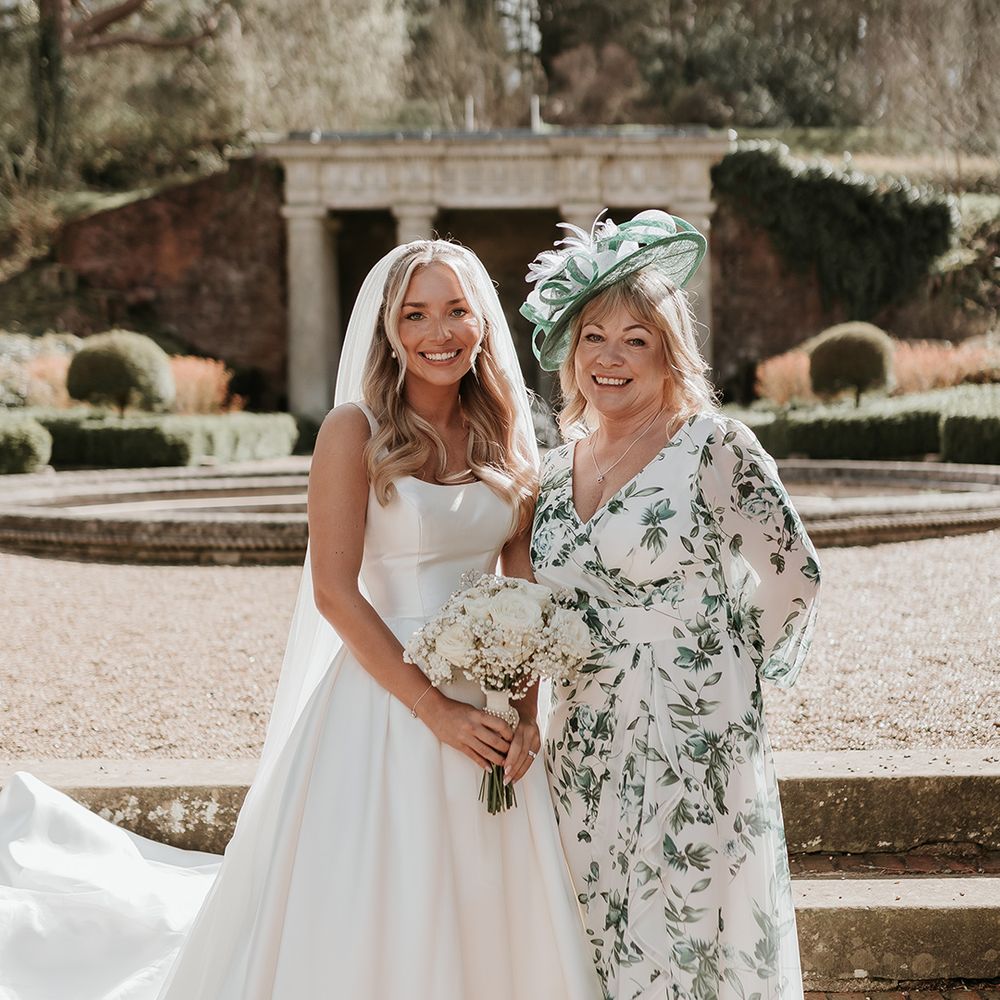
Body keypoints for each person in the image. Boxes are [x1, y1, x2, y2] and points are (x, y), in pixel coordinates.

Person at [0, 241, 600, 1000]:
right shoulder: (354, 430)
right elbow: (335, 593)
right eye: (415, 314)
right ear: (389, 330)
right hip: (387, 707)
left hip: (486, 712)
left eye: (455, 311)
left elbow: (520, 583)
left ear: (482, 323)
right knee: (382, 895)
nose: (437, 331)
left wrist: (522, 713)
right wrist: (435, 710)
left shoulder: (505, 436)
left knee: (494, 900)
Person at [522, 212, 822, 1000]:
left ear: (669, 353)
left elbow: (795, 573)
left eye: (635, 340)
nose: (610, 358)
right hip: (583, 737)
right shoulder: (553, 470)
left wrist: (722, 667)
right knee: (595, 926)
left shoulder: (712, 446)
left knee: (685, 931)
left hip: (692, 729)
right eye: (594, 337)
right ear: (571, 354)